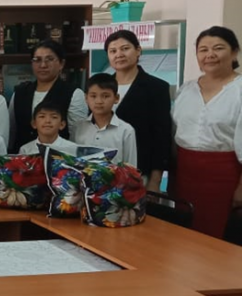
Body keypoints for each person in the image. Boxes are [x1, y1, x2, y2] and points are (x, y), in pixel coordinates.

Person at [171, 26, 242, 238]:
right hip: (185, 174)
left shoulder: (239, 90)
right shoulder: (186, 89)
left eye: (218, 48)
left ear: (234, 52)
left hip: (225, 177)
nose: (210, 55)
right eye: (203, 50)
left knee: (220, 237)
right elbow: (174, 132)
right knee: (184, 233)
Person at [104, 30, 172, 191]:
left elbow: (161, 136)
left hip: (139, 171)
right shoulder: (100, 86)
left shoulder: (156, 87)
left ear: (138, 50)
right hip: (102, 171)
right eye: (113, 51)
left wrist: (155, 180)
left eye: (125, 48)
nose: (119, 54)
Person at [9, 40, 88, 152]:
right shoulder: (19, 92)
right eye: (37, 60)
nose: (43, 65)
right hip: (25, 156)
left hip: (60, 157)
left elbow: (76, 136)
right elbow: (12, 131)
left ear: (61, 64)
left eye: (49, 59)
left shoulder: (73, 93)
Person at [73, 73, 138, 166]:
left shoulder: (126, 131)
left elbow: (131, 166)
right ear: (86, 98)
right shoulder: (78, 128)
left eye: (105, 96)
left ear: (116, 98)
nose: (99, 101)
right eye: (93, 96)